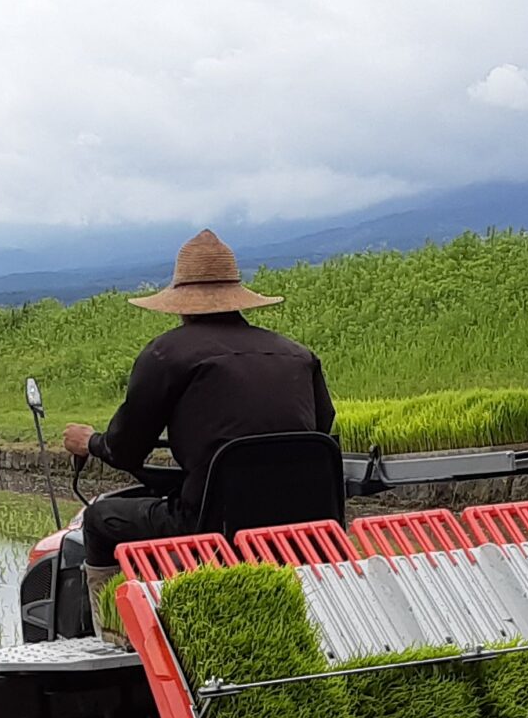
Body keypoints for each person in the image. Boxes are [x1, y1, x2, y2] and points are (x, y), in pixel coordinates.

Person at [62, 229, 334, 599]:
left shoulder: (167, 354)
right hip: (304, 523)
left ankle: (113, 632)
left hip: (209, 524)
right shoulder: (297, 354)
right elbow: (319, 429)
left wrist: (89, 442)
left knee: (99, 519)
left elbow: (125, 451)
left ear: (180, 303)